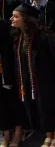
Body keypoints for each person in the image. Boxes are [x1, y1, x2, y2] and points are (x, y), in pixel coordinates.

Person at [10, 3, 55, 147]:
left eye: (16, 16)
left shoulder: (44, 37)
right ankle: (48, 134)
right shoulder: (19, 37)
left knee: (50, 106)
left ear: (25, 19)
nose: (11, 19)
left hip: (48, 81)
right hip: (31, 80)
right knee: (40, 108)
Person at [0, 17, 21, 147]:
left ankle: (18, 131)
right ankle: (6, 133)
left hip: (7, 71)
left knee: (13, 101)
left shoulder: (5, 26)